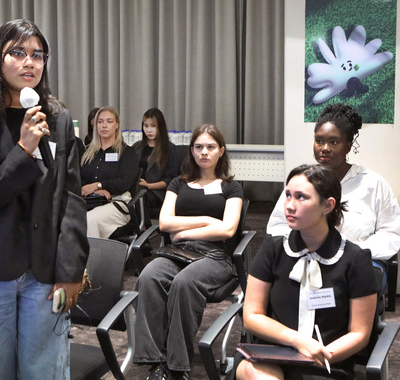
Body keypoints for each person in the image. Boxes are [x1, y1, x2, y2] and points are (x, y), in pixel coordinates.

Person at [0, 19, 89, 379]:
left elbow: (71, 199)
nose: (29, 62)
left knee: (44, 371)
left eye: (37, 55)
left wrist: (72, 269)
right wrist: (23, 149)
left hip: (44, 272)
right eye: (17, 53)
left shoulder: (57, 119)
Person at [237, 164, 378, 379]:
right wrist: (297, 341)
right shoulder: (273, 248)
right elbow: (252, 316)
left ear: (327, 206)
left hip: (325, 362)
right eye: (288, 195)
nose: (289, 206)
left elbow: (359, 333)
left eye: (301, 197)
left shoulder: (355, 259)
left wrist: (319, 354)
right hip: (270, 355)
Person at [134, 124, 243, 380]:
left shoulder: (231, 187)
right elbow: (165, 224)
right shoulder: (178, 183)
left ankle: (177, 366)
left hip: (215, 256)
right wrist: (206, 219)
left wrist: (185, 231)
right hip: (178, 251)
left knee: (184, 283)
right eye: (198, 147)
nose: (204, 152)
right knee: (148, 277)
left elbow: (227, 231)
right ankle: (156, 360)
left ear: (221, 151)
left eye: (210, 147)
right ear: (192, 151)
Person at [267, 104, 400, 288]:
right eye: (319, 141)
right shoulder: (301, 182)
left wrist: (353, 252)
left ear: (348, 145)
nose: (325, 148)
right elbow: (277, 227)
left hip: (359, 262)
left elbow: (391, 232)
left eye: (334, 142)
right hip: (305, 256)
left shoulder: (372, 184)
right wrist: (307, 248)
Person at [80, 106, 138, 238]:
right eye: (100, 122)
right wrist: (94, 191)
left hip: (117, 202)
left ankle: (92, 258)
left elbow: (124, 182)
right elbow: (79, 178)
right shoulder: (88, 152)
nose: (104, 125)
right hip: (90, 201)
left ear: (117, 124)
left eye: (109, 121)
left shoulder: (127, 152)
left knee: (89, 220)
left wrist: (98, 185)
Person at [131, 108, 178, 223]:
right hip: (135, 188)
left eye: (153, 126)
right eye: (146, 126)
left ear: (160, 127)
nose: (149, 130)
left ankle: (143, 230)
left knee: (139, 194)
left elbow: (170, 180)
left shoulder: (169, 149)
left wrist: (148, 185)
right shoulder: (136, 147)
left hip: (156, 193)